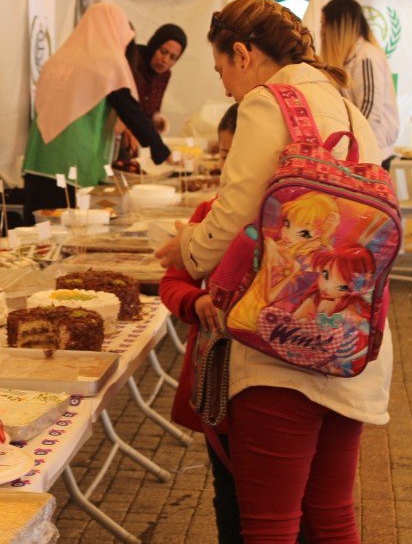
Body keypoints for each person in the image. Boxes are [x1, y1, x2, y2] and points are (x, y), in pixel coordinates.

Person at [155, 0, 393, 543]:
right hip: (352, 334)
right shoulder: (345, 102)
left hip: (282, 341)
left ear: (243, 53)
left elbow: (234, 218)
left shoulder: (269, 101)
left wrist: (187, 249)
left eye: (221, 70)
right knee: (332, 514)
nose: (224, 88)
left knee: (269, 523)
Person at [159, 102, 242, 543]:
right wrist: (196, 300)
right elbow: (170, 284)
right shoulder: (209, 213)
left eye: (238, 155)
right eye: (223, 154)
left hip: (265, 385)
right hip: (216, 386)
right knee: (227, 493)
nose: (229, 166)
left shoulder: (285, 222)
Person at [22, 3, 171, 220]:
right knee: (69, 230)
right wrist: (160, 151)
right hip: (72, 160)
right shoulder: (104, 64)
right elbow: (130, 110)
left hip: (38, 157)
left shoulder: (58, 59)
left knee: (39, 227)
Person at [321, 0, 399, 169]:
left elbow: (370, 110)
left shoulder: (366, 56)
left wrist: (350, 143)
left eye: (324, 24)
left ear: (340, 26)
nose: (322, 32)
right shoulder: (351, 58)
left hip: (371, 152)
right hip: (360, 150)